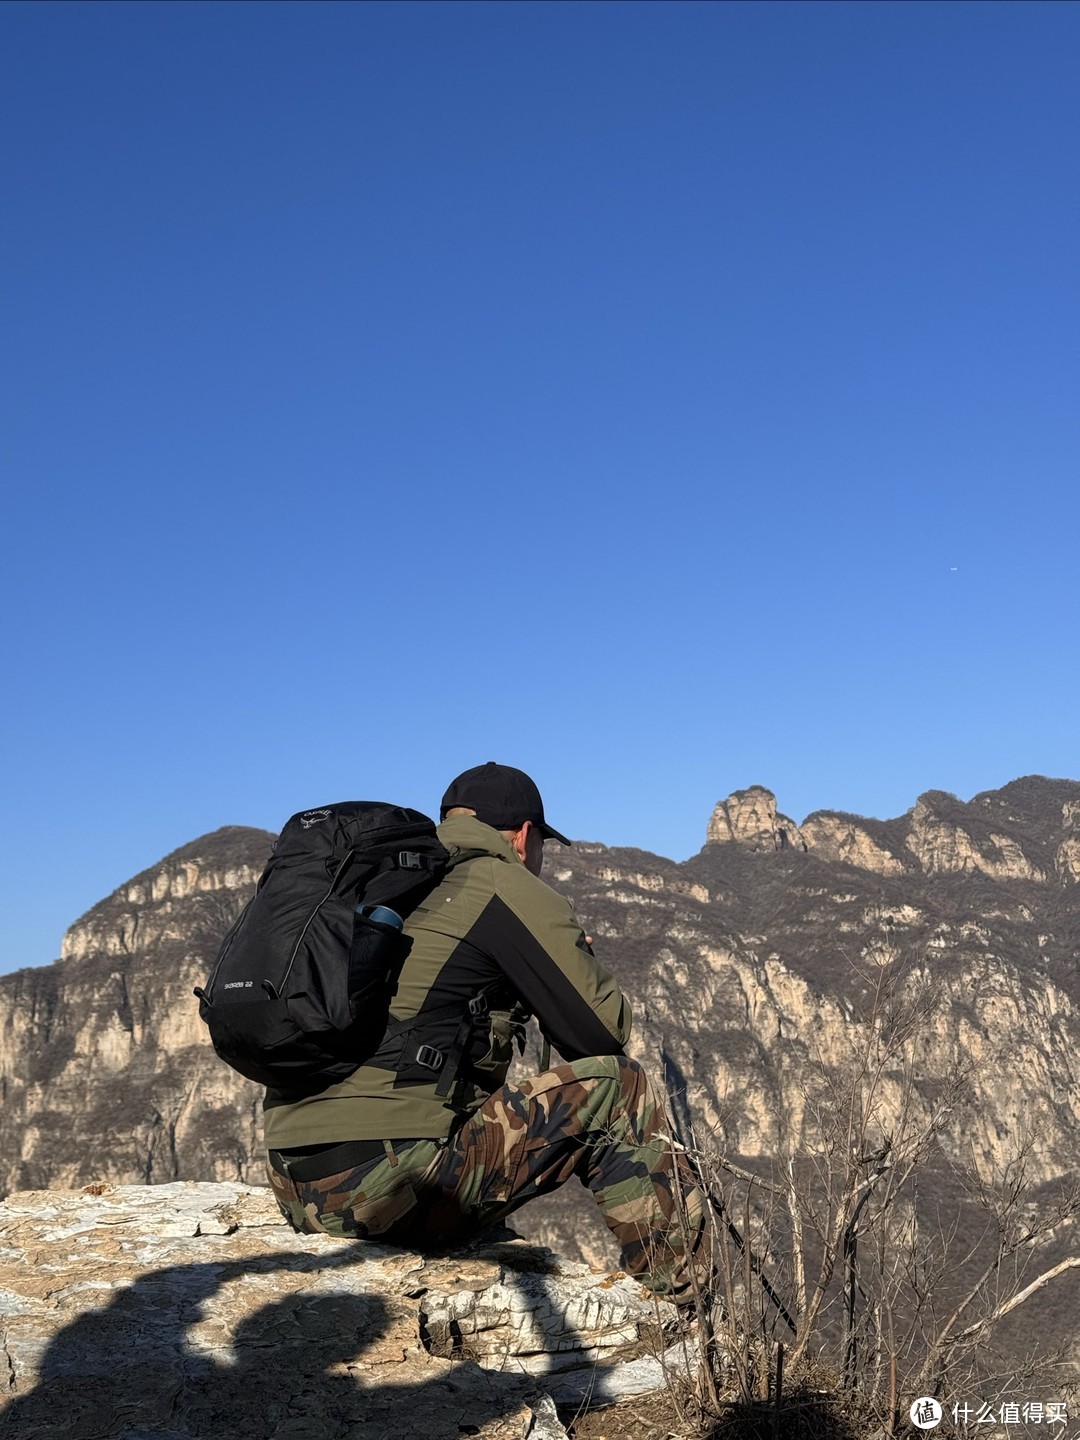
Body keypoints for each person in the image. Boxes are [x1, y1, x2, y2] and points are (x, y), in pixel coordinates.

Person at [264, 762, 706, 1299]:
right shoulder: (502, 883)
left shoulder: (388, 880)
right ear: (523, 836)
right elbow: (601, 1034)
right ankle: (683, 1311)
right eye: (541, 842)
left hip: (293, 1185)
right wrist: (572, 964)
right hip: (379, 1192)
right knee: (622, 1090)